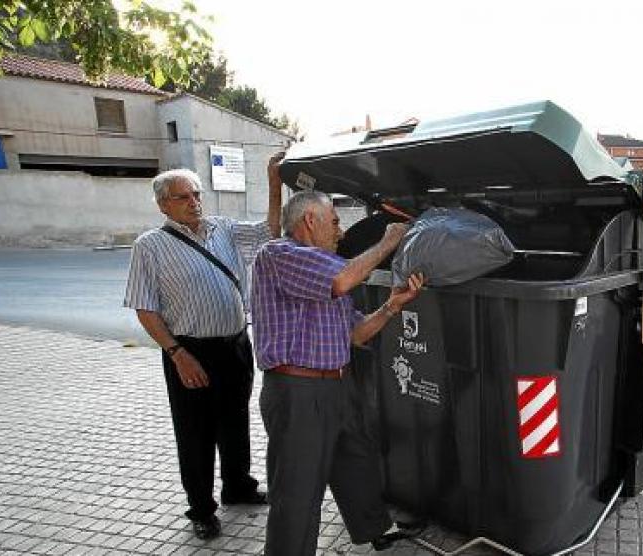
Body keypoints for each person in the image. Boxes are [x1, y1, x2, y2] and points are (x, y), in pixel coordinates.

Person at [251, 190, 425, 555]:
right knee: (298, 489)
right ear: (309, 221)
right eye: (334, 222)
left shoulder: (328, 266)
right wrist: (388, 241)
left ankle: (376, 528)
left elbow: (355, 333)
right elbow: (343, 281)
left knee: (354, 459)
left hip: (335, 383)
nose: (340, 231)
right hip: (297, 389)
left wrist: (391, 307)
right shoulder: (280, 254)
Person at [124, 153, 285, 540]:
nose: (194, 201)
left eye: (196, 193)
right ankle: (200, 507)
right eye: (183, 197)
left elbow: (270, 232)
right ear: (163, 204)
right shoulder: (150, 246)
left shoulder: (223, 229)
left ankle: (238, 486)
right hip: (190, 351)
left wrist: (275, 182)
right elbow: (145, 309)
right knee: (195, 431)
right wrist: (177, 355)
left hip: (235, 345)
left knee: (235, 420)